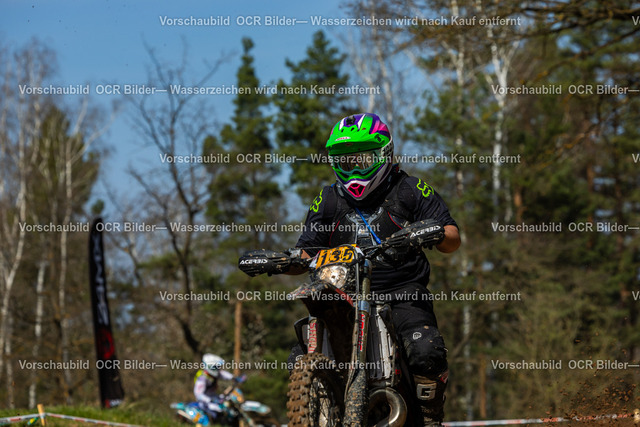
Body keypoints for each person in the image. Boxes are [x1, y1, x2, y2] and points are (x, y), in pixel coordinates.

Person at [290, 113, 461, 426]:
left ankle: (430, 418)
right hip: (342, 294)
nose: (354, 168)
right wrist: (283, 259)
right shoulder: (328, 199)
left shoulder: (410, 188)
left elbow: (452, 237)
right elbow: (307, 249)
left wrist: (431, 232)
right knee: (296, 357)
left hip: (401, 292)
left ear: (384, 154)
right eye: (345, 160)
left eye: (363, 159)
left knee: (425, 348)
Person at [193, 353, 234, 420]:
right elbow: (198, 394)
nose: (218, 369)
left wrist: (233, 377)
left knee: (229, 400)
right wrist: (210, 400)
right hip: (205, 403)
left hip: (214, 397)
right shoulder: (202, 378)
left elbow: (223, 374)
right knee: (220, 411)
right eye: (216, 367)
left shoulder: (212, 374)